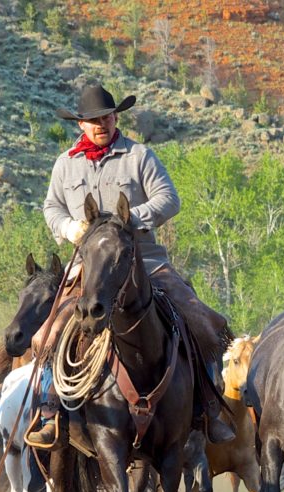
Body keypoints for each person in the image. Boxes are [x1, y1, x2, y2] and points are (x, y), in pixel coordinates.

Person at [28, 83, 235, 447]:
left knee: (203, 321)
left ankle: (206, 411)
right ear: (81, 125)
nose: (100, 124)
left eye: (106, 117)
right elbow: (51, 208)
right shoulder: (65, 164)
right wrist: (68, 227)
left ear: (115, 117)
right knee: (45, 335)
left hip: (146, 264)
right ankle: (50, 413)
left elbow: (169, 199)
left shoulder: (139, 156)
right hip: (89, 270)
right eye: (92, 120)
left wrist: (130, 220)